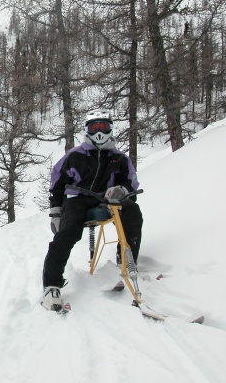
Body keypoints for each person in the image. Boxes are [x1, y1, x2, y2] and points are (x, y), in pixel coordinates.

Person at [41, 110, 143, 311]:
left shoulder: (119, 158)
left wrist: (122, 190)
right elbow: (57, 182)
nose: (99, 132)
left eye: (103, 127)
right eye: (94, 127)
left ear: (110, 129)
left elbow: (131, 183)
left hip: (106, 200)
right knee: (68, 232)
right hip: (77, 199)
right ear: (87, 130)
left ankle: (126, 265)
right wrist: (55, 212)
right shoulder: (75, 156)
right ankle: (51, 283)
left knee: (132, 212)